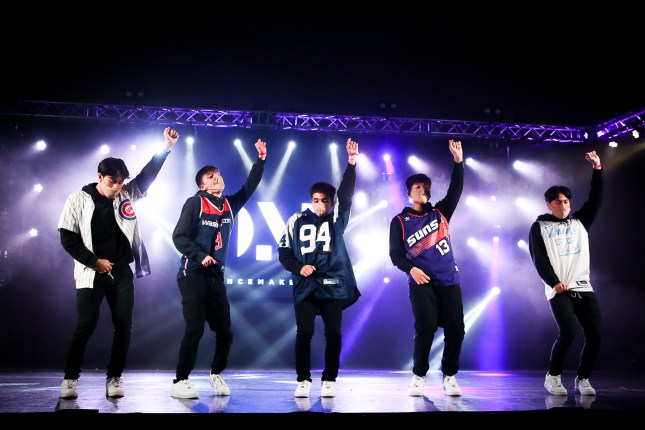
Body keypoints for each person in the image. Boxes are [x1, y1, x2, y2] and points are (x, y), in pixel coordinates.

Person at [57, 127, 180, 399]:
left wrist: (166, 147)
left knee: (124, 325)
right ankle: (70, 379)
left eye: (121, 181)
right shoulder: (78, 199)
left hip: (122, 271)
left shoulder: (126, 194)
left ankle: (114, 378)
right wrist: (94, 261)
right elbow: (67, 237)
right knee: (86, 325)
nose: (117, 186)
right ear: (100, 177)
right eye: (112, 181)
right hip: (91, 271)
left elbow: (147, 176)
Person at [170, 139, 267, 399]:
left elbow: (249, 187)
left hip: (215, 277)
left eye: (218, 174)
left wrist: (260, 160)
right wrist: (200, 256)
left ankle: (216, 374)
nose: (217, 178)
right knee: (195, 327)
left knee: (225, 332)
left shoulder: (229, 205)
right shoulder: (195, 203)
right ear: (202, 186)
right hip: (192, 272)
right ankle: (180, 380)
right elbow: (179, 237)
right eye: (210, 176)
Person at [278, 138, 361, 399]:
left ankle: (329, 380)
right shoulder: (295, 220)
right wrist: (298, 267)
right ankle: (303, 380)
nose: (320, 205)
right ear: (310, 201)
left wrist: (351, 163)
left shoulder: (337, 218)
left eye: (325, 200)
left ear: (332, 202)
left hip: (332, 285)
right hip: (305, 286)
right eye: (316, 200)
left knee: (333, 334)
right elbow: (284, 252)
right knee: (304, 333)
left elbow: (346, 195)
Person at [389, 139, 465, 397]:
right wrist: (411, 269)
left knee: (456, 329)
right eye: (417, 187)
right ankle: (419, 375)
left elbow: (456, 189)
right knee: (426, 327)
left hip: (449, 280)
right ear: (409, 193)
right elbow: (395, 255)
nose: (423, 189)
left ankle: (449, 376)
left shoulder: (441, 213)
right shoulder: (400, 221)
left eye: (426, 186)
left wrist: (458, 162)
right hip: (422, 283)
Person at [529, 151, 603, 397]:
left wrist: (598, 169)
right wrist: (554, 282)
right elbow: (539, 260)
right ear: (549, 204)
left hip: (582, 286)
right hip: (558, 289)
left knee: (595, 335)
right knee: (569, 331)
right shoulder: (539, 227)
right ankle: (553, 377)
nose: (563, 205)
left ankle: (583, 378)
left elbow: (596, 199)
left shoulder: (579, 223)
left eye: (566, 202)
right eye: (558, 202)